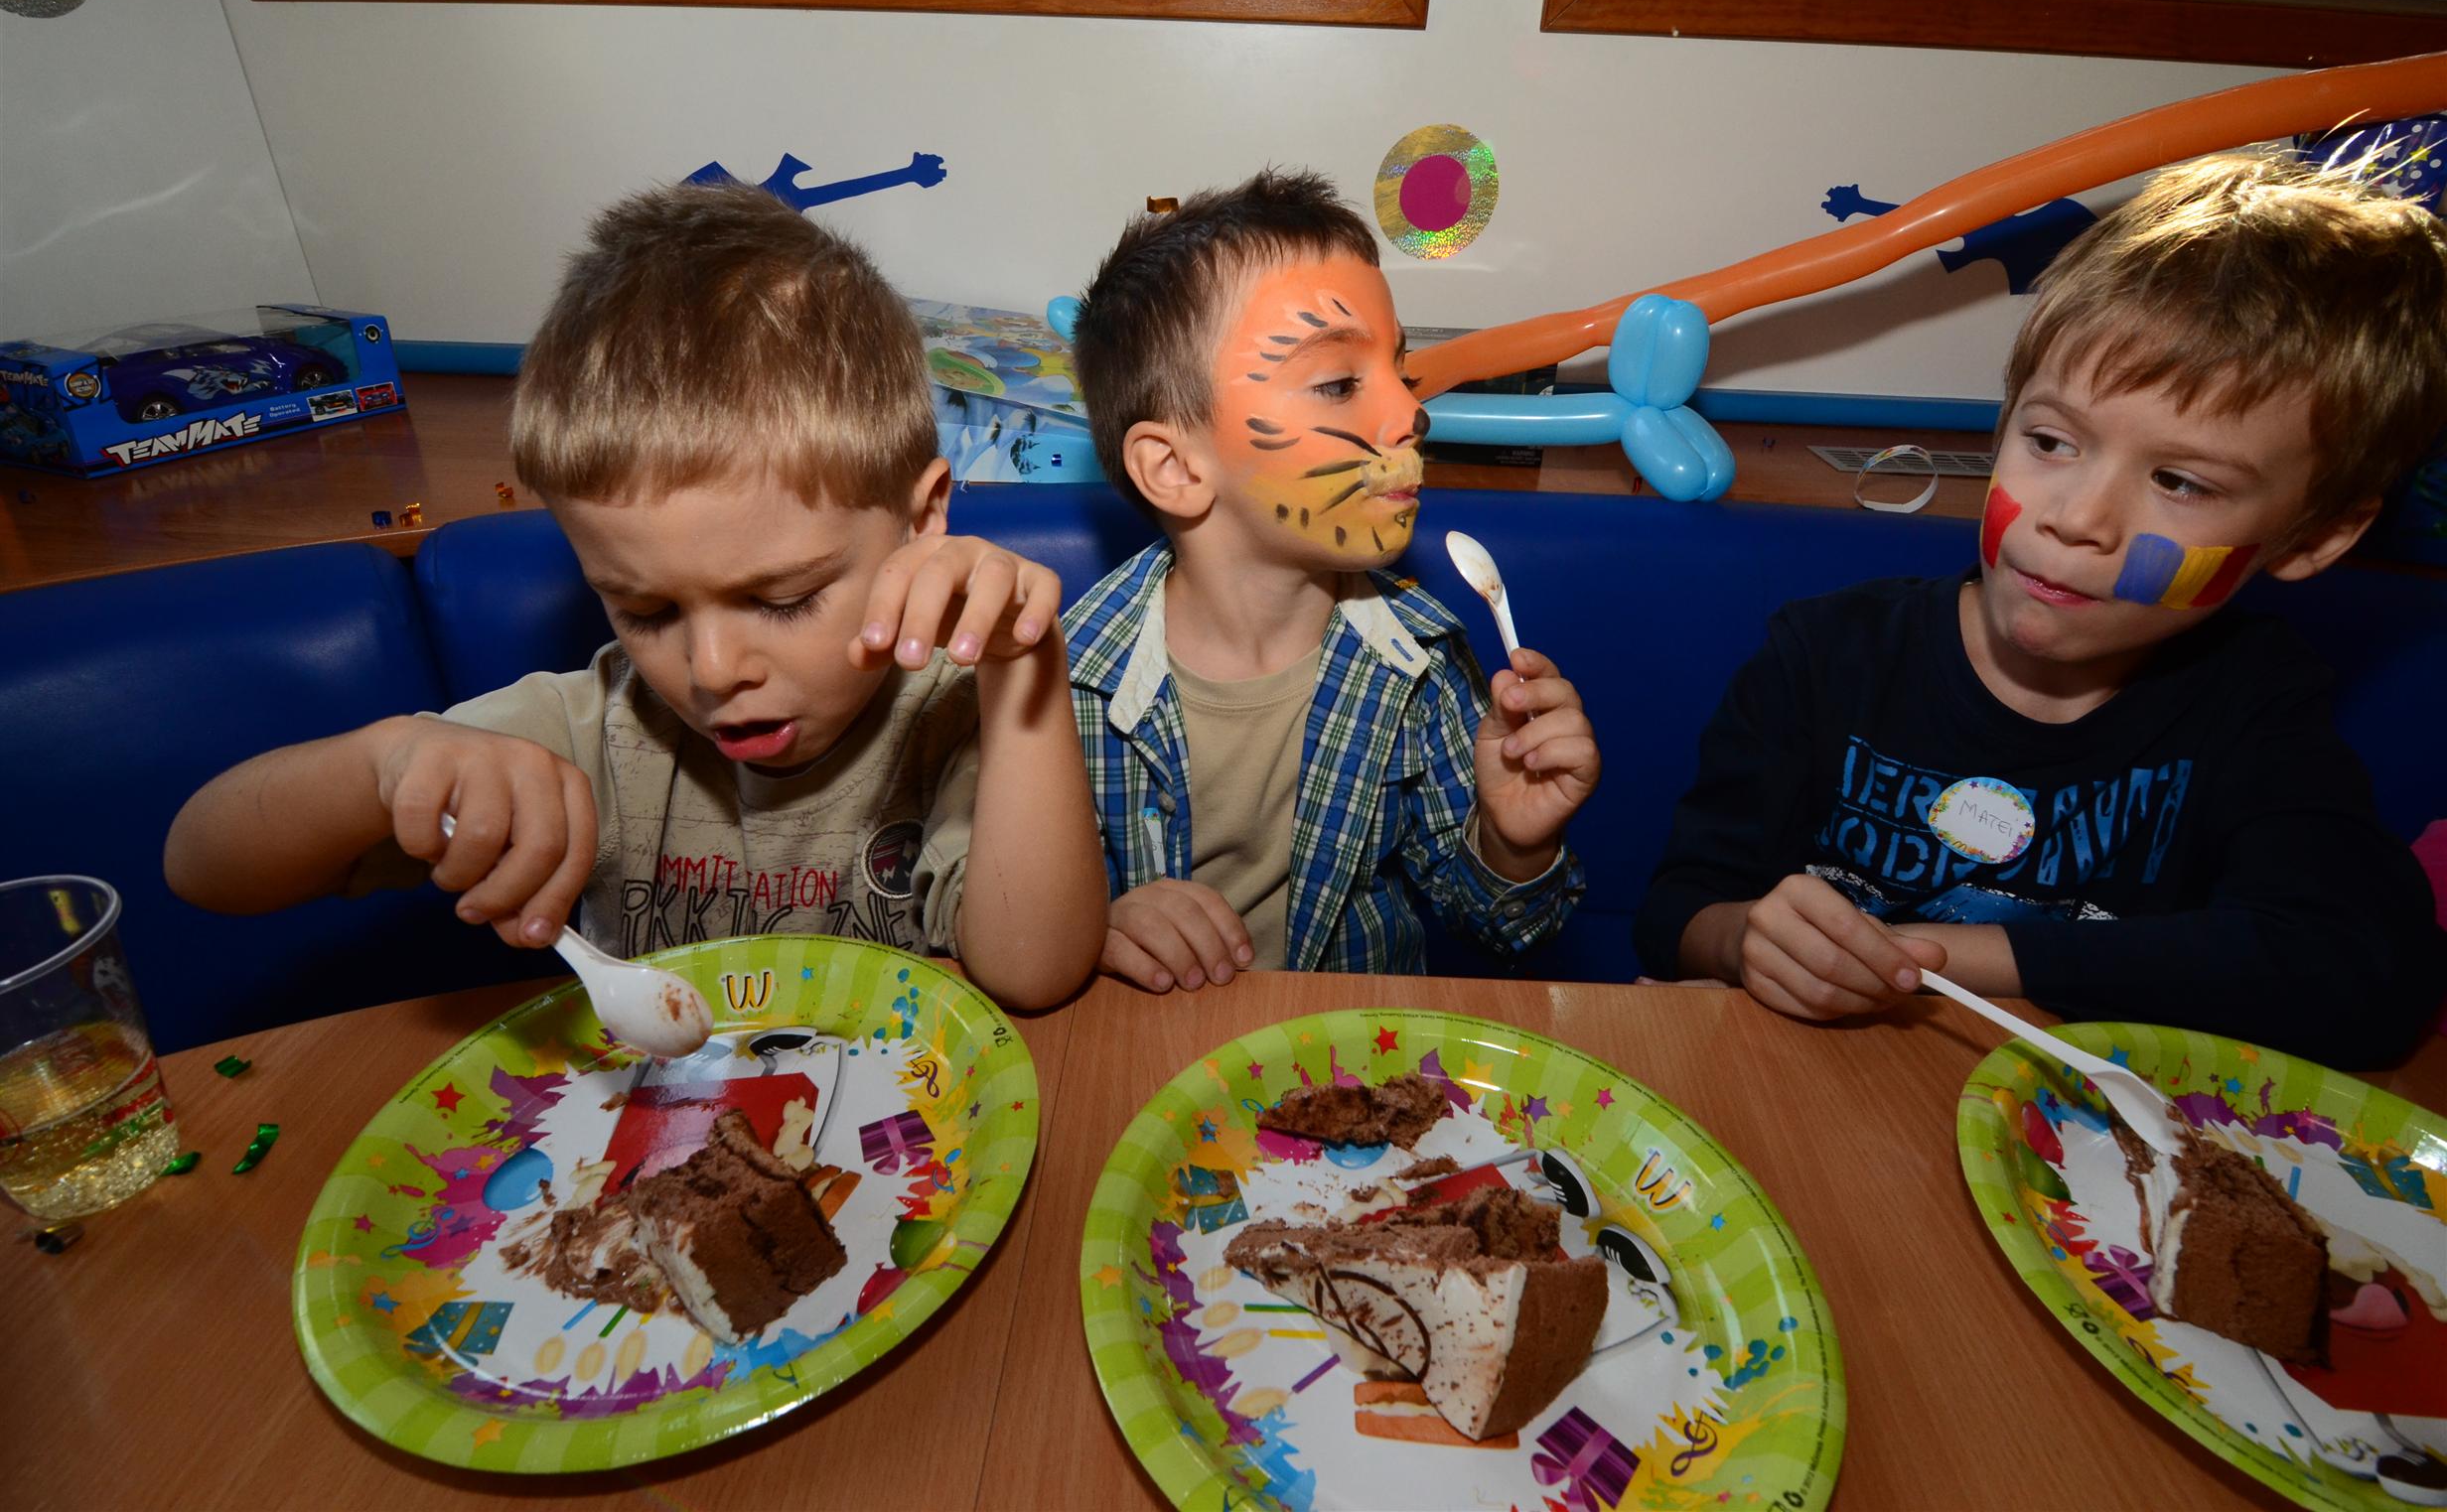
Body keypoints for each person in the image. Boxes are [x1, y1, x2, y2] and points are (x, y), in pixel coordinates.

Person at [166, 182, 1104, 1009]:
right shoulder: (593, 735)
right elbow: (201, 867)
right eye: (647, 612)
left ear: (922, 516)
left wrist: (1024, 670)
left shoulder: (953, 720)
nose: (712, 670)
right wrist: (386, 760)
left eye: (783, 600)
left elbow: (1034, 973)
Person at [1635, 152, 2447, 1067]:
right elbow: (1676, 916)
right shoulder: (1827, 655)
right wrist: (1745, 940)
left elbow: (2367, 974)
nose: (2078, 519)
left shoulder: (2255, 706)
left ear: (2314, 537)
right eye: (2053, 441)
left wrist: (1941, 959)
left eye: (2180, 482)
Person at [1064, 170, 1599, 992]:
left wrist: (1513, 843)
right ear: (1174, 468)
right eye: (1340, 383)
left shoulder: (1421, 660)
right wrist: (1082, 929)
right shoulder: (1064, 681)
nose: (1410, 414)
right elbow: (964, 902)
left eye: (1399, 373)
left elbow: (1495, 925)